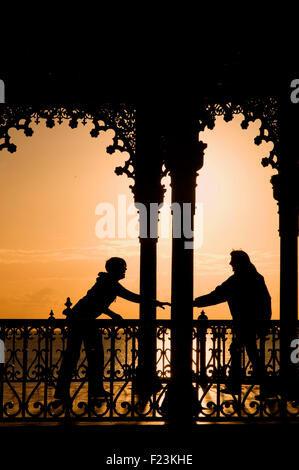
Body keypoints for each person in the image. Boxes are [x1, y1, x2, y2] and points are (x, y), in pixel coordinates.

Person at [54, 257, 170, 404]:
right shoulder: (108, 283)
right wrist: (113, 315)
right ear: (116, 269)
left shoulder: (110, 282)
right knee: (78, 356)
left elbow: (131, 297)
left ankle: (81, 389)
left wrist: (155, 303)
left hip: (83, 321)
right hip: (80, 320)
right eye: (124, 267)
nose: (125, 270)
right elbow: (97, 303)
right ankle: (76, 390)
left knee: (87, 356)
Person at [193, 250, 272, 395]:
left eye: (233, 261)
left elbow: (215, 296)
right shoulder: (257, 278)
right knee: (251, 352)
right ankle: (264, 386)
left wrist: (194, 303)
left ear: (239, 263)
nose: (230, 264)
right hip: (254, 324)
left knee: (237, 349)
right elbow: (267, 301)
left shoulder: (236, 281)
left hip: (244, 324)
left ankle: (236, 385)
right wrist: (265, 322)